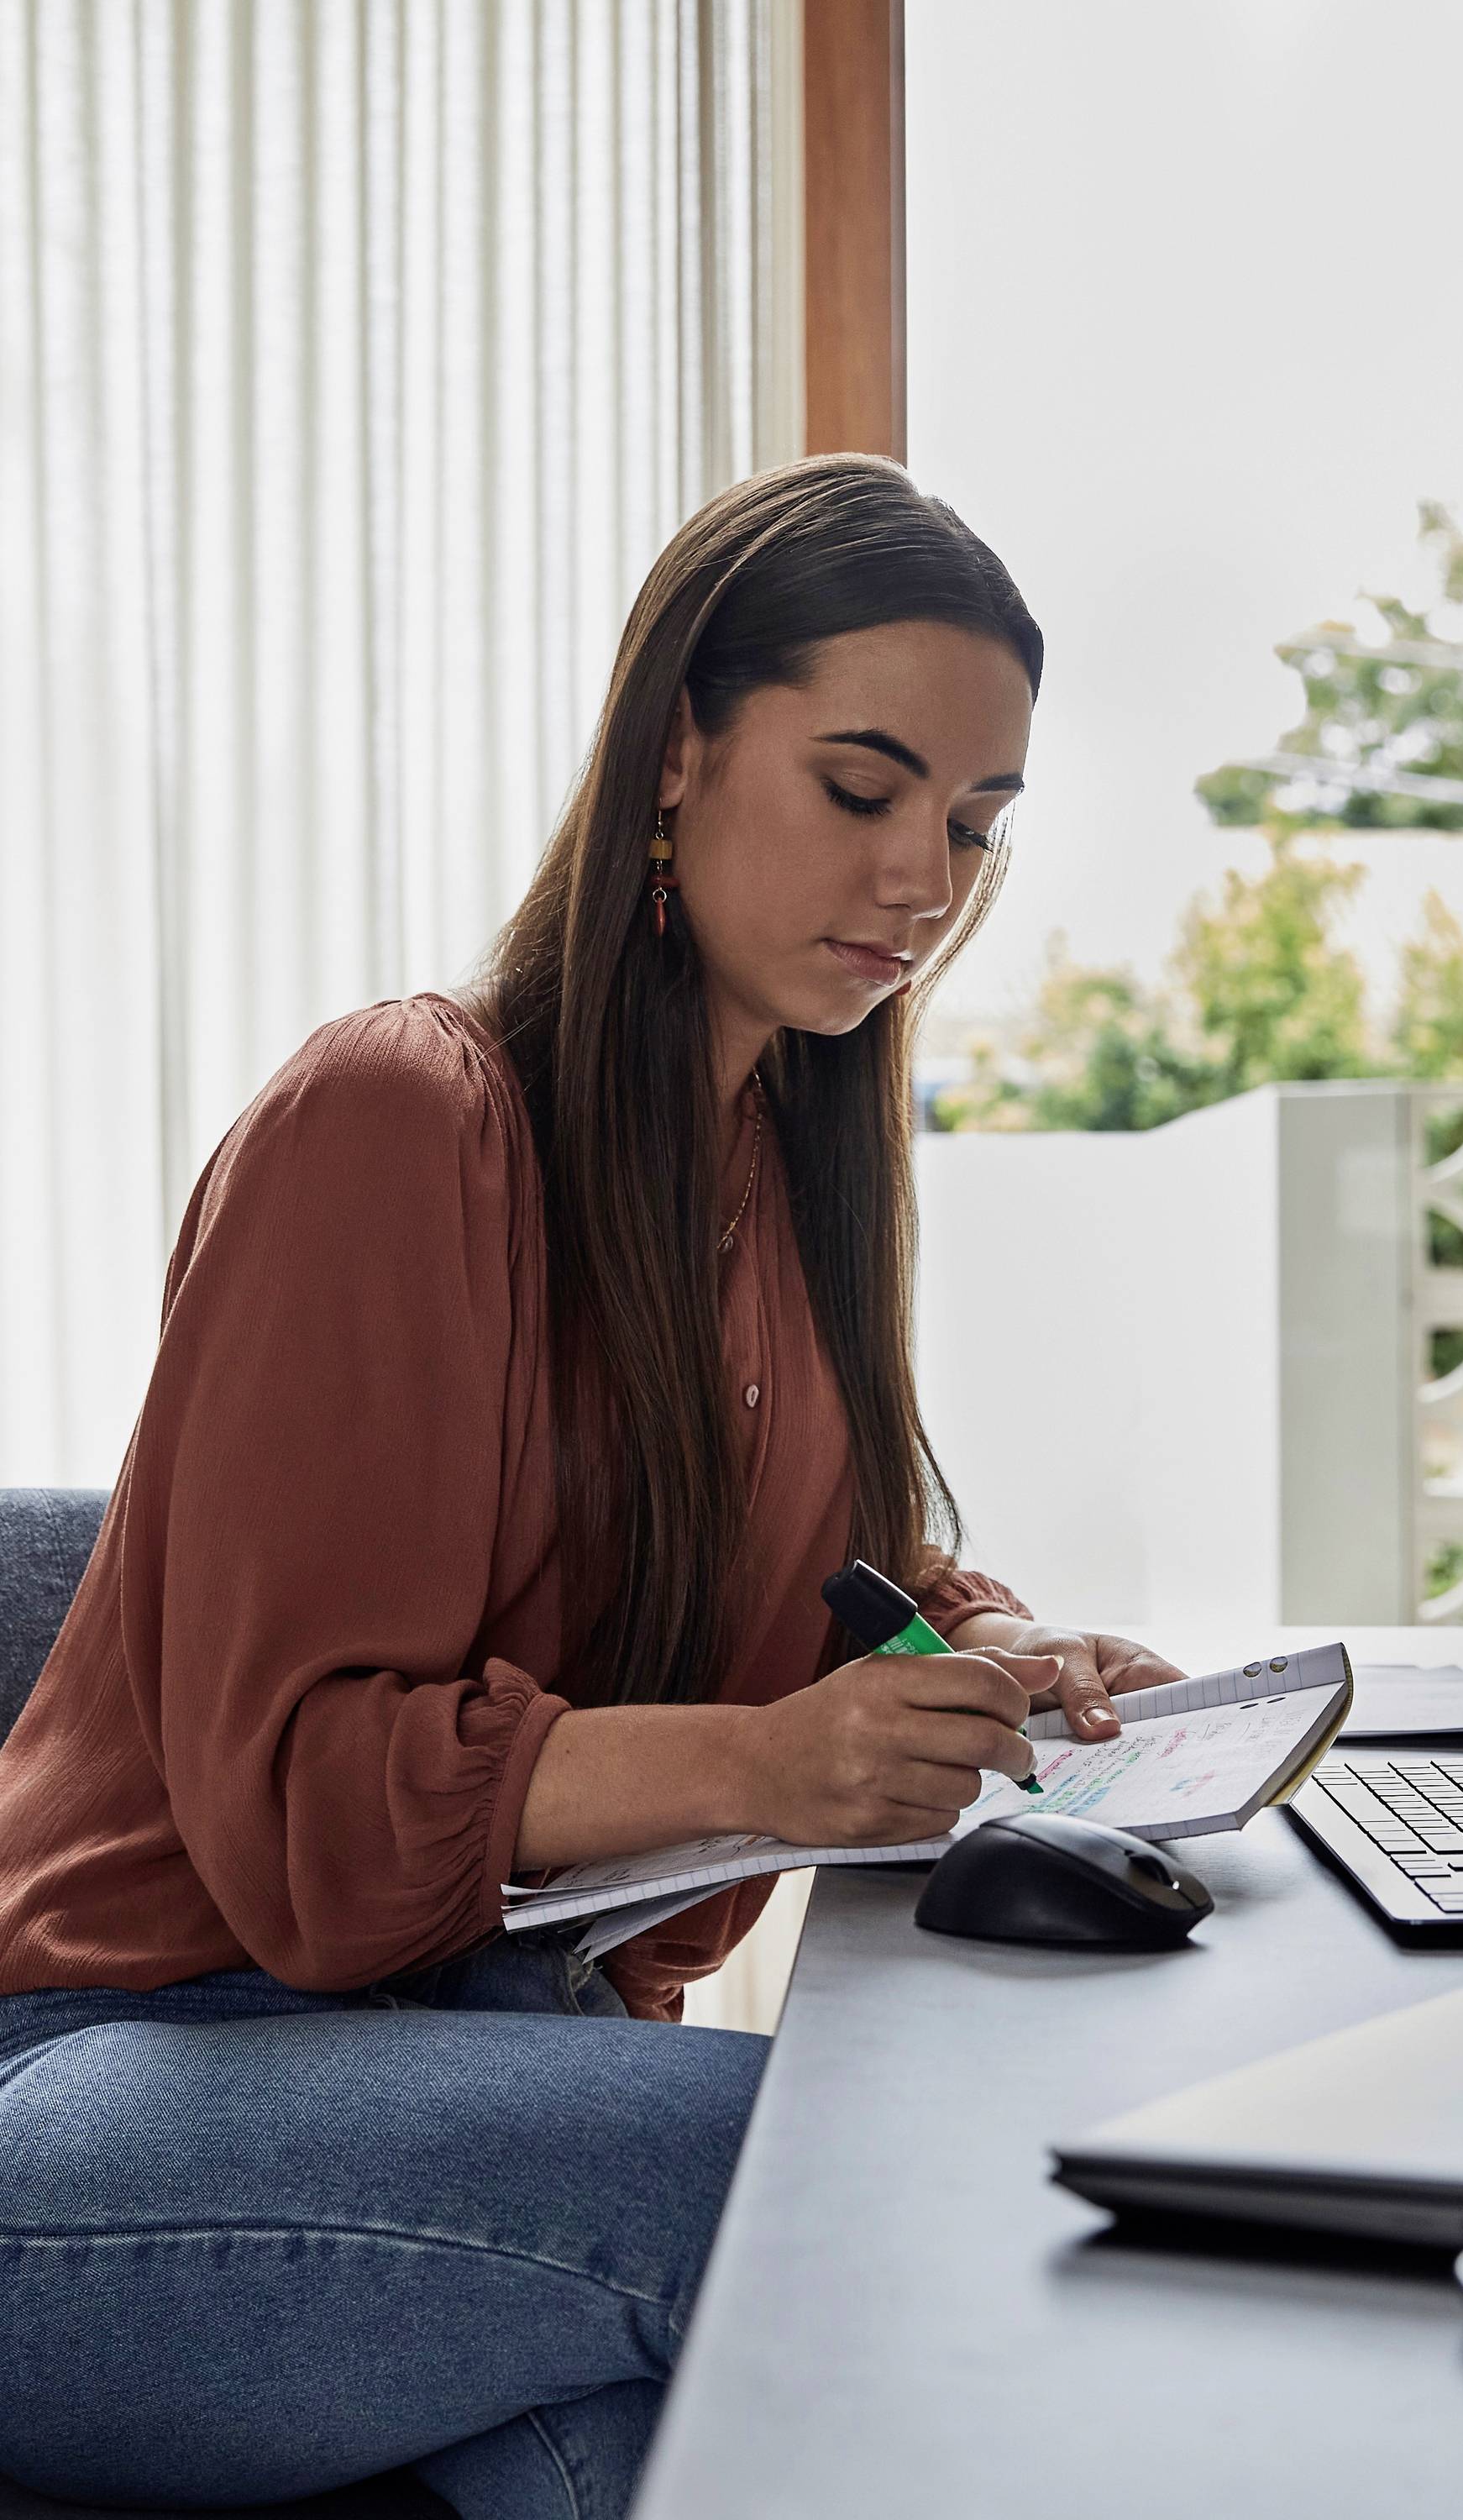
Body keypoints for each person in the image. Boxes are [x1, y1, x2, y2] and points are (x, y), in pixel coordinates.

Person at [0, 454, 1181, 2516]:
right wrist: (769, 1764)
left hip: (439, 2056)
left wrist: (999, 1650)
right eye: (864, 788)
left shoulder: (780, 1182)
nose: (923, 880)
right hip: (119, 2084)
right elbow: (303, 1798)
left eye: (975, 826)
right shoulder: (399, 1118)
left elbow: (822, 1561)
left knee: (669, 2458)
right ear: (676, 751)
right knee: (860, 2170)